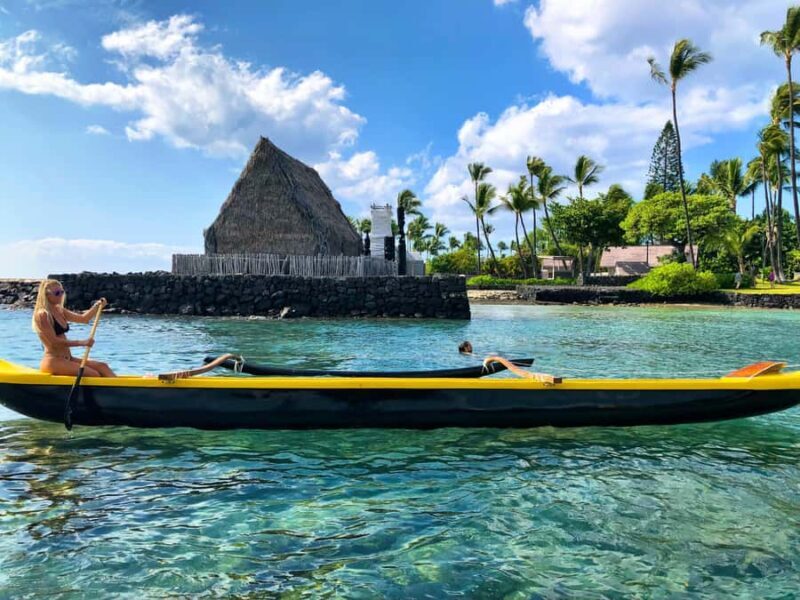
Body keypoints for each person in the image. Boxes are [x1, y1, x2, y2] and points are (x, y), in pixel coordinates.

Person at [31, 279, 116, 377]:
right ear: (46, 295)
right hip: (54, 361)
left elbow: (84, 319)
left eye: (62, 292)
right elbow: (54, 342)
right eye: (57, 293)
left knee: (103, 367)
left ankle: (118, 386)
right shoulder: (42, 315)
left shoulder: (59, 310)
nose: (61, 295)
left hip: (68, 359)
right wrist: (82, 343)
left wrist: (97, 306)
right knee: (94, 374)